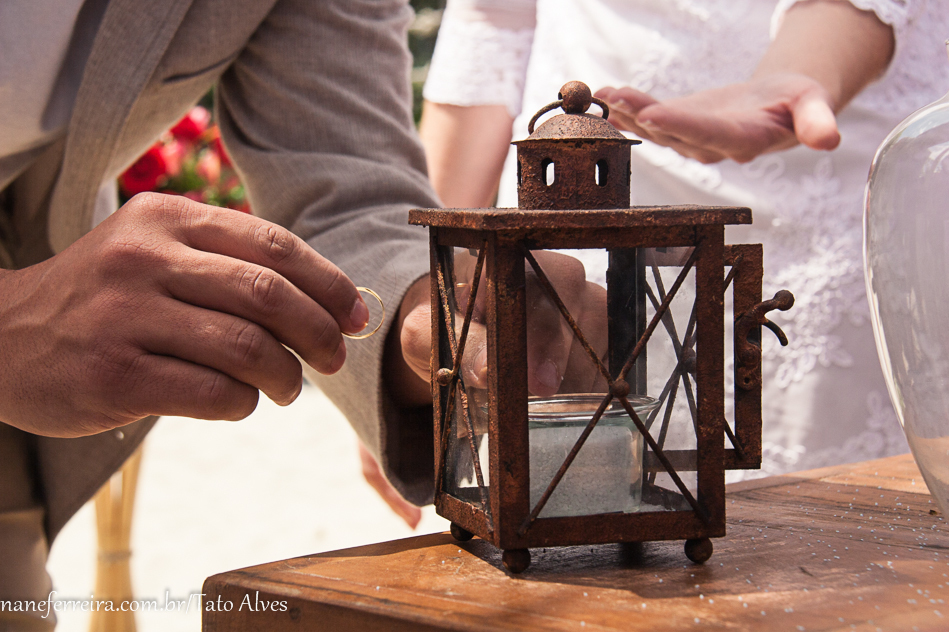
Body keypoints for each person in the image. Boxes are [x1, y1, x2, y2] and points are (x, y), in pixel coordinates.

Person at [412, 0, 949, 491]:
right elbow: (491, 21)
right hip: (559, 205)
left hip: (832, 135)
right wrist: (425, 312)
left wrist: (804, 71)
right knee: (569, 476)